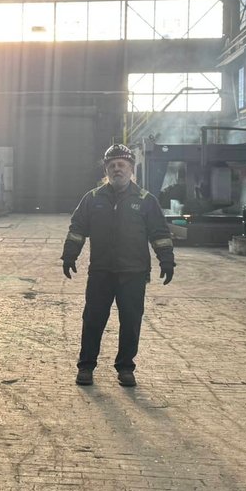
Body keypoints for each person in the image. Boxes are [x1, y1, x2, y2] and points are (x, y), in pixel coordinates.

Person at [61, 143, 175, 387]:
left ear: (131, 169)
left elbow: (159, 233)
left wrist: (166, 259)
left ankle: (125, 368)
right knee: (93, 319)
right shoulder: (92, 199)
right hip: (101, 272)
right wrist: (69, 255)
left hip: (133, 274)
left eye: (121, 165)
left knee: (131, 322)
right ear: (106, 169)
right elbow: (77, 229)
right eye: (112, 165)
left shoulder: (146, 201)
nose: (117, 169)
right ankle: (86, 367)